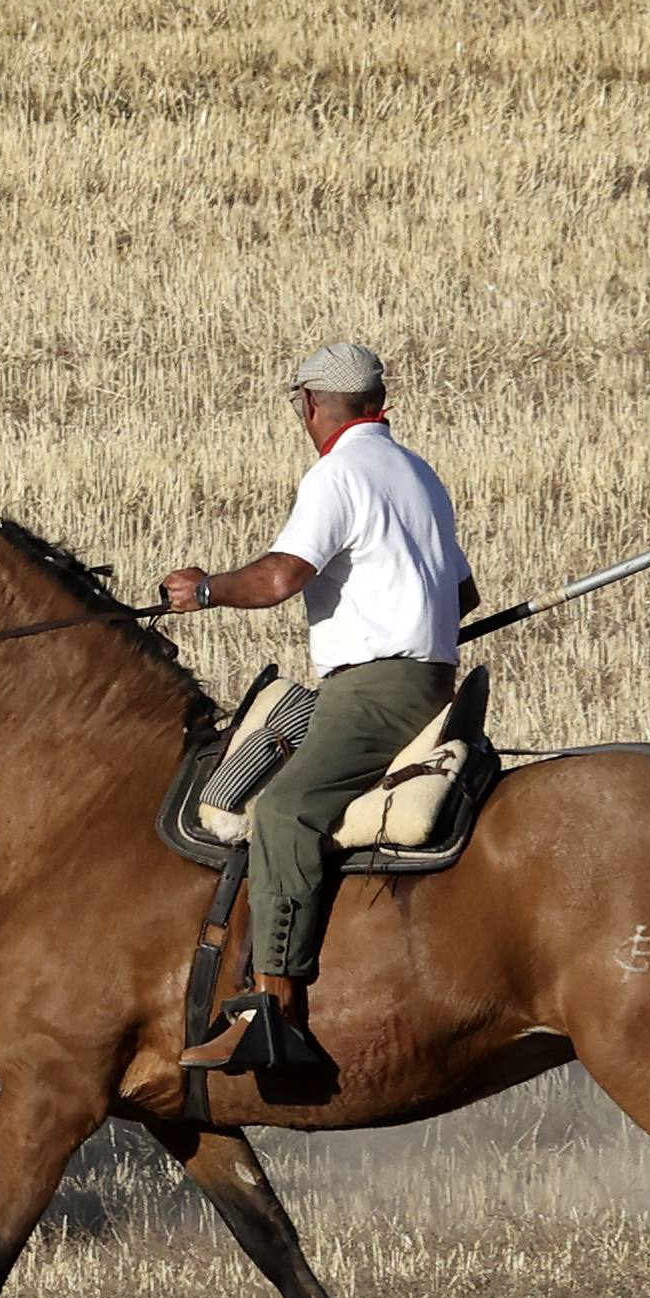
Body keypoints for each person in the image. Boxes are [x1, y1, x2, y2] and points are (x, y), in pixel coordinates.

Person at [159, 342, 476, 1069]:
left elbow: (279, 578)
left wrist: (203, 590)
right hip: (429, 679)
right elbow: (464, 598)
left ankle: (274, 1010)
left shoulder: (338, 475)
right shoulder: (419, 473)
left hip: (373, 691)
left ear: (310, 403)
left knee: (283, 812)